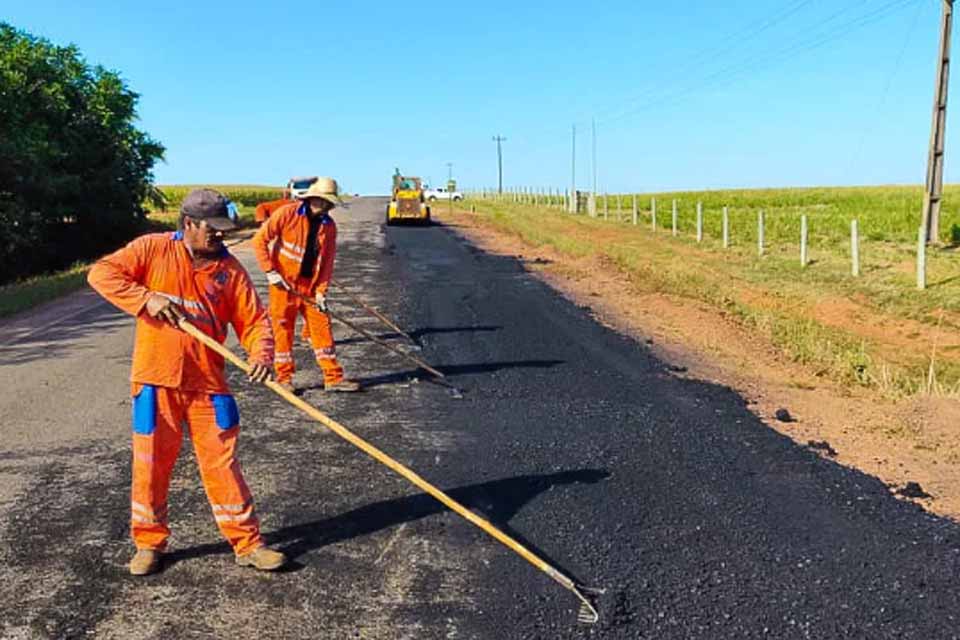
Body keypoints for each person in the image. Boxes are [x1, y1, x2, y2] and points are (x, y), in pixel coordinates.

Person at [87, 188, 286, 576]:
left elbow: (255, 321)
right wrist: (147, 299)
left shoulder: (230, 271)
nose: (219, 235)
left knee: (223, 466)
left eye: (223, 229)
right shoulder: (153, 249)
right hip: (155, 381)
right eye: (211, 228)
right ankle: (148, 543)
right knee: (151, 465)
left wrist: (260, 354)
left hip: (208, 384)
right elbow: (101, 274)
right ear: (188, 223)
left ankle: (248, 543)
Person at [252, 177, 360, 393]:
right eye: (321, 200)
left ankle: (333, 378)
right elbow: (259, 241)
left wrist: (321, 292)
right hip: (284, 286)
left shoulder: (329, 227)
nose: (324, 206)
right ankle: (284, 378)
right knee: (283, 330)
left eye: (327, 202)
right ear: (312, 198)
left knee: (322, 328)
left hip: (310, 287)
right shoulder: (286, 214)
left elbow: (327, 261)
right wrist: (270, 272)